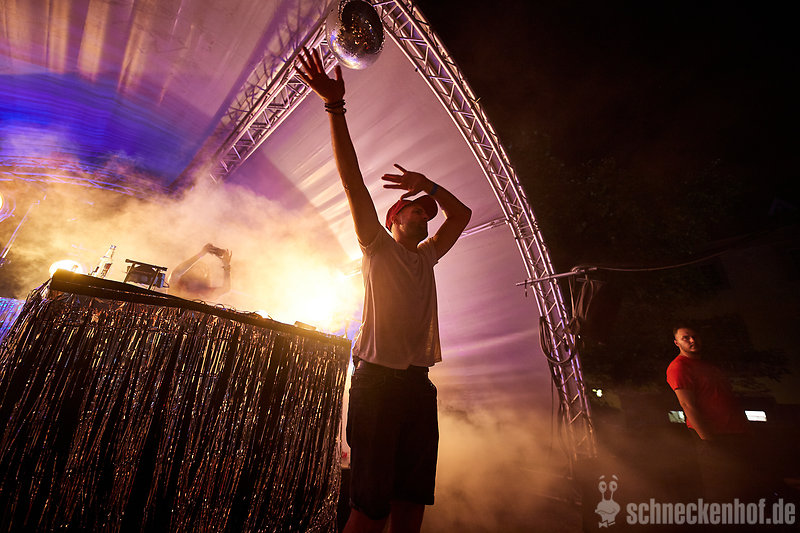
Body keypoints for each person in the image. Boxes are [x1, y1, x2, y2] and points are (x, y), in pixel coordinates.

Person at [296, 48, 471, 533]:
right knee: (370, 508)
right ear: (394, 219)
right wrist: (335, 107)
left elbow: (462, 215)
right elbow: (353, 184)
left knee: (411, 503)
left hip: (417, 385)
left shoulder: (427, 256)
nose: (425, 214)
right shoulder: (377, 245)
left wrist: (428, 185)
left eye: (426, 213)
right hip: (376, 382)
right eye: (415, 209)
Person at [666, 324, 751, 500]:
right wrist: (707, 441)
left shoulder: (708, 366)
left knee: (742, 485)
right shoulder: (679, 367)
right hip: (714, 435)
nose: (692, 340)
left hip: (736, 432)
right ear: (677, 343)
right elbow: (687, 404)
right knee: (721, 487)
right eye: (685, 338)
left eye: (695, 336)